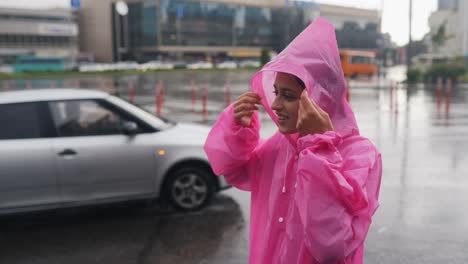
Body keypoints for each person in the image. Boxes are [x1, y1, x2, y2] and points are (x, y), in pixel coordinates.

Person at [204, 17, 382, 264]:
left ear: (321, 99)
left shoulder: (360, 155)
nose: (275, 105)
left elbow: (332, 247)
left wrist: (320, 151)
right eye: (276, 93)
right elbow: (233, 171)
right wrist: (237, 131)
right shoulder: (282, 145)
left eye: (288, 95)